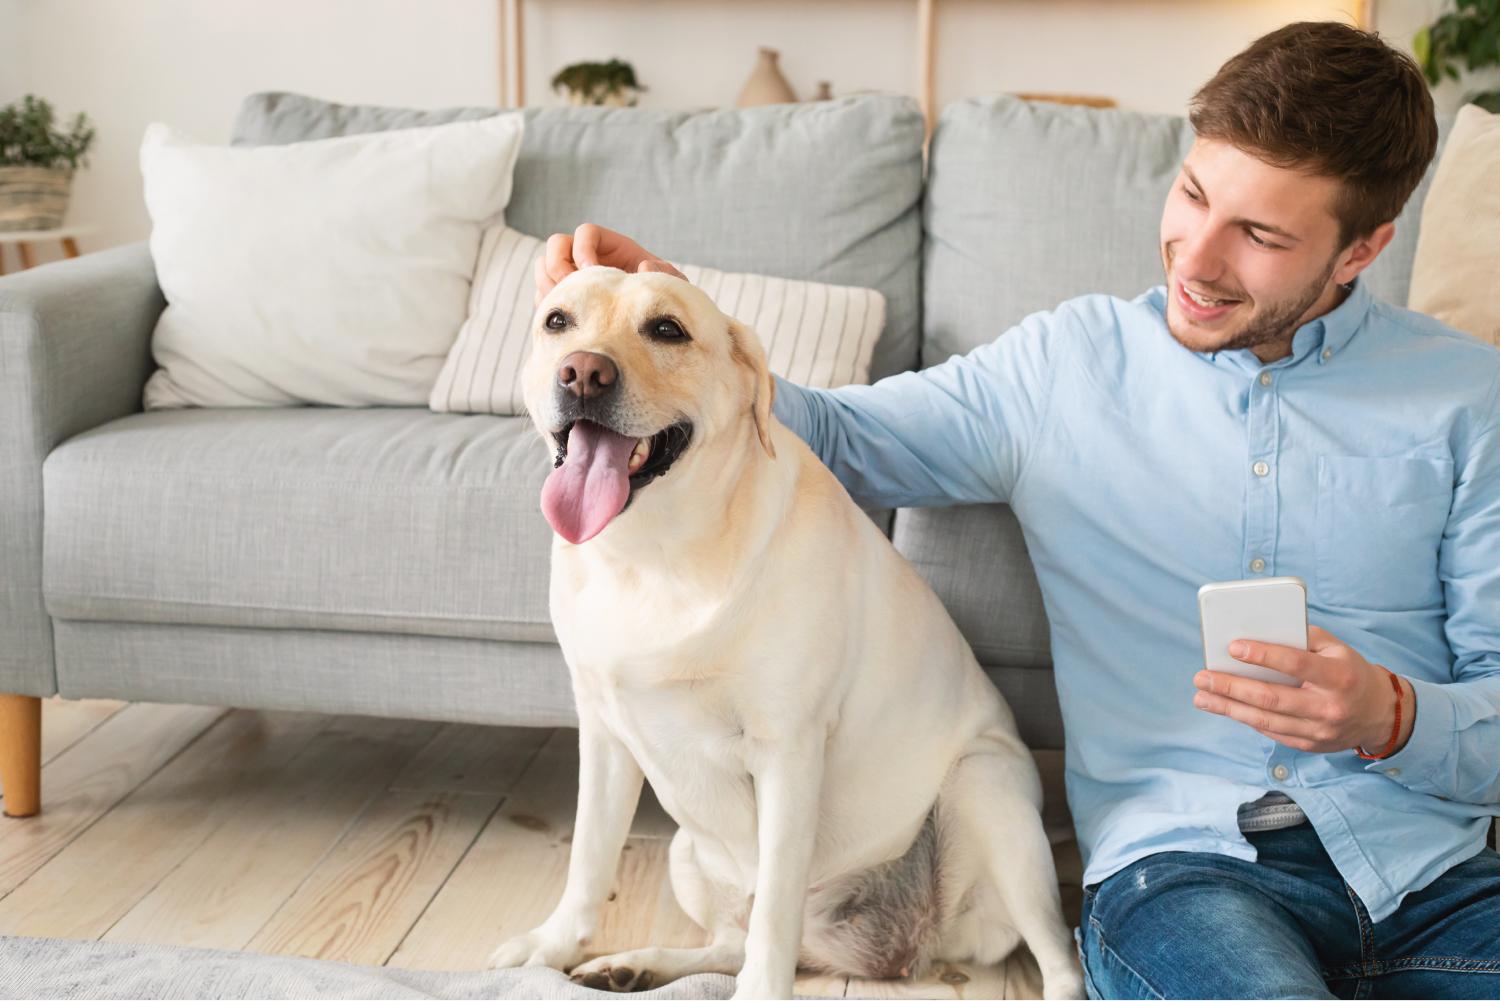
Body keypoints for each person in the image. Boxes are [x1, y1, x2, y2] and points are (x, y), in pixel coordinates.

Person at [532, 21, 1500, 999]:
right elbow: (833, 434)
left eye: (1259, 235)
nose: (1196, 259)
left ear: (1363, 248)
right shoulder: (1067, 365)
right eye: (1194, 195)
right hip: (1188, 873)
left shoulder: (1467, 399)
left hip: (1438, 878)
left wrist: (1392, 713)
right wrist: (675, 324)